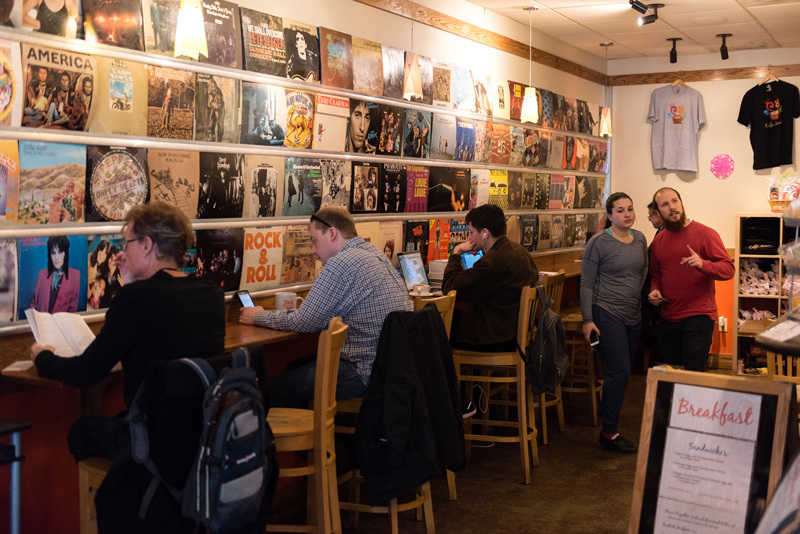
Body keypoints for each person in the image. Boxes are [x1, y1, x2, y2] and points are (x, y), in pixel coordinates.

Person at [30, 202, 225, 461]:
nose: (123, 251)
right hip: (201, 433)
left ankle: (126, 495)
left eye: (127, 243)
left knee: (79, 432)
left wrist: (41, 357)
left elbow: (85, 373)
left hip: (152, 439)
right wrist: (132, 283)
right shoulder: (212, 294)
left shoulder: (134, 299)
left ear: (146, 245)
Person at [239, 206, 412, 408]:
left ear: (332, 233)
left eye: (314, 240)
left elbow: (305, 321)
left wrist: (257, 316)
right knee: (293, 368)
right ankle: (309, 433)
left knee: (269, 389)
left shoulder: (342, 263)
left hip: (363, 372)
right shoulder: (375, 254)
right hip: (392, 370)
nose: (312, 250)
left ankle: (302, 437)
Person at [581, 192, 648, 454]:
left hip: (633, 314)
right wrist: (588, 320)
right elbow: (586, 283)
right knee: (617, 372)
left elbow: (642, 270)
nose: (627, 214)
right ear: (609, 216)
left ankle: (610, 427)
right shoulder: (599, 243)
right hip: (606, 313)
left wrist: (637, 296)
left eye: (630, 209)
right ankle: (609, 433)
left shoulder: (640, 238)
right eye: (620, 210)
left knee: (623, 374)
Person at [647, 187, 734, 372]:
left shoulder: (705, 233)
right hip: (668, 317)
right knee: (671, 374)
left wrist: (703, 264)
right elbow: (656, 274)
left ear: (681, 202)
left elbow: (728, 269)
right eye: (664, 204)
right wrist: (655, 290)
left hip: (698, 316)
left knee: (693, 376)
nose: (671, 207)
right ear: (658, 211)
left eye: (674, 201)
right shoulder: (659, 240)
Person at [442, 204, 539, 350]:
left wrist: (456, 253)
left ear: (485, 233)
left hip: (494, 337)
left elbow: (450, 288)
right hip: (513, 332)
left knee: (438, 325)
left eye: (471, 232)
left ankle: (451, 373)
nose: (469, 238)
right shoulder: (519, 251)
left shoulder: (493, 262)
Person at [31, 235, 80, 314]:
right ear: (50, 255)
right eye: (53, 253)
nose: (56, 257)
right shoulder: (42, 274)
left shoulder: (75, 275)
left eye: (60, 252)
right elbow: (33, 305)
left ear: (66, 253)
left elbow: (73, 311)